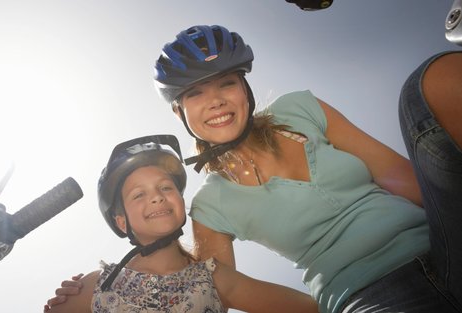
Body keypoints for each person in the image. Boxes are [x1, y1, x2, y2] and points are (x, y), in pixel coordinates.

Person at [47, 25, 462, 313]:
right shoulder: (211, 204)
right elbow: (206, 290)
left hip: (442, 239)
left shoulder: (299, 108)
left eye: (226, 83)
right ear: (180, 112)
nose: (216, 100)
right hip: (366, 292)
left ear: (244, 88)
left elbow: (399, 176)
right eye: (196, 92)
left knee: (429, 83)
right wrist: (101, 288)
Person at [44, 134, 317, 313]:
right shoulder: (95, 287)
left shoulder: (213, 278)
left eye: (165, 187)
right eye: (139, 194)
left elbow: (317, 308)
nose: (156, 198)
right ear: (121, 222)